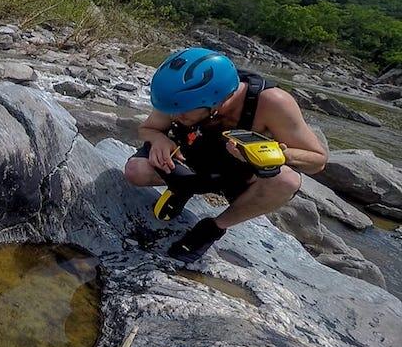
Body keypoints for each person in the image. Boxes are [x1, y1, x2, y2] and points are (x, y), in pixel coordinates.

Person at [124, 47, 328, 262]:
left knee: (286, 181)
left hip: (236, 172)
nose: (174, 115)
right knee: (136, 171)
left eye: (183, 111)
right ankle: (183, 188)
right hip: (187, 158)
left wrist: (275, 154)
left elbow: (318, 160)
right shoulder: (181, 96)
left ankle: (212, 228)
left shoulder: (272, 103)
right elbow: (148, 128)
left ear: (216, 101)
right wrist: (159, 139)